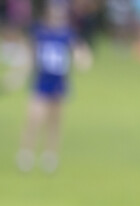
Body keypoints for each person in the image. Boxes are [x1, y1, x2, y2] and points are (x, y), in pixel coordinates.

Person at [16, 0, 89, 173]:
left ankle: (50, 156)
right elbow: (30, 56)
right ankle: (26, 154)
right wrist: (19, 75)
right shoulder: (39, 32)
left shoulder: (68, 34)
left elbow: (80, 52)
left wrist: (82, 59)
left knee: (54, 121)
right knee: (34, 119)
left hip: (59, 84)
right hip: (41, 82)